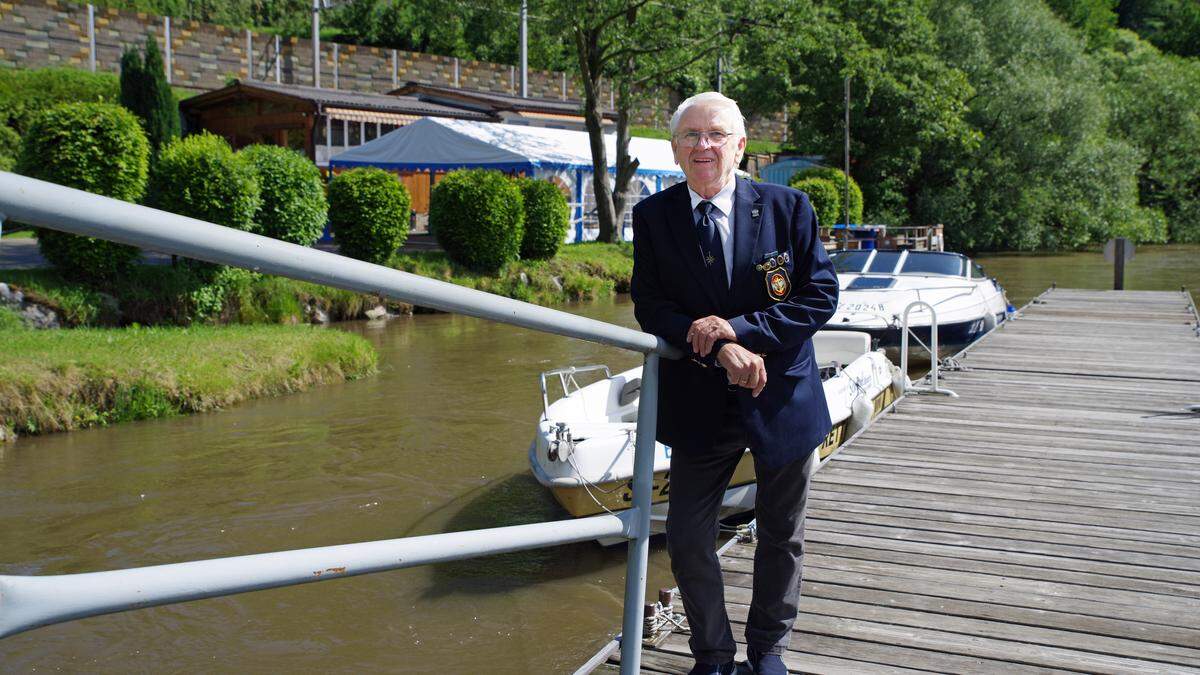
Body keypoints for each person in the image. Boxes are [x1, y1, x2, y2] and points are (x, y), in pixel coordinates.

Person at [630, 92, 839, 675]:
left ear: (741, 145)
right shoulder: (653, 218)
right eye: (691, 135)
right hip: (699, 402)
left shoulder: (788, 207)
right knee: (688, 536)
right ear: (674, 150)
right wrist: (722, 347)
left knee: (781, 534)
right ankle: (714, 655)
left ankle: (769, 651)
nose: (704, 145)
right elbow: (651, 306)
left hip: (783, 396)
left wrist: (743, 329)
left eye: (716, 134)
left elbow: (819, 295)